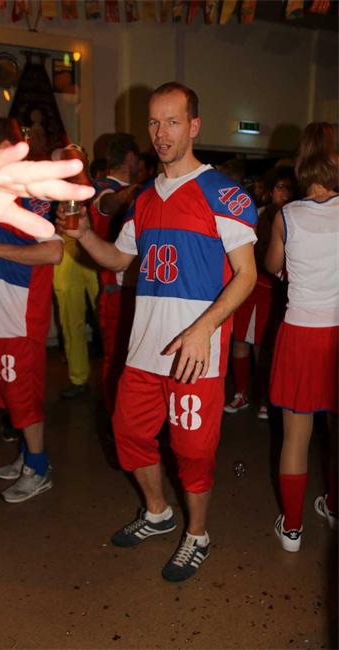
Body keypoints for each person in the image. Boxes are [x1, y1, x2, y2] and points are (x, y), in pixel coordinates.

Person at [58, 82, 257, 582]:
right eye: (153, 122)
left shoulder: (223, 194)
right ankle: (157, 512)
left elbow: (247, 274)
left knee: (192, 452)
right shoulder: (144, 199)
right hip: (144, 351)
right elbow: (118, 260)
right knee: (128, 434)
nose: (161, 133)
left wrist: (203, 330)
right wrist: (84, 235)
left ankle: (198, 535)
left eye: (172, 121)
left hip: (195, 357)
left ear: (194, 126)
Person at [0, 117, 64, 504]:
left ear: (6, 148)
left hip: (19, 313)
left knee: (23, 396)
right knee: (9, 394)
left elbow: (54, 252)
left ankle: (38, 467)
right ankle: (27, 454)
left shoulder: (31, 195)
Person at [265, 122, 339, 552]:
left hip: (301, 333)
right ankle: (333, 507)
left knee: (296, 436)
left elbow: (272, 266)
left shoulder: (286, 216)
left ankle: (292, 529)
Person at [224, 166, 297, 419]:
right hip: (248, 286)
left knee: (262, 345)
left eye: (289, 189)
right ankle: (241, 393)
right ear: (270, 190)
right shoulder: (257, 214)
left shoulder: (296, 217)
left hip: (275, 291)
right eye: (279, 187)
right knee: (240, 340)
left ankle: (264, 397)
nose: (284, 193)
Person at [89, 133, 140, 415]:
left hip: (130, 291)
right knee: (115, 360)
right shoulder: (104, 187)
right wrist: (133, 194)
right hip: (116, 291)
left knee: (130, 360)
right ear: (131, 157)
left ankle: (127, 417)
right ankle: (114, 419)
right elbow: (107, 203)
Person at [52, 144, 100, 399]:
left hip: (96, 254)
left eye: (77, 159)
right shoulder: (52, 191)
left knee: (107, 315)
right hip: (67, 253)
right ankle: (78, 377)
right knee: (71, 320)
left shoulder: (97, 189)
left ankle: (118, 375)